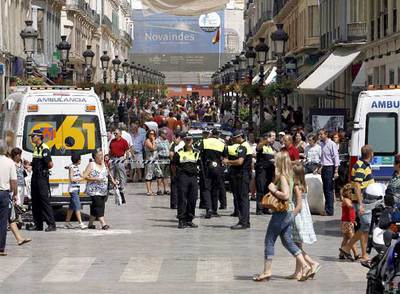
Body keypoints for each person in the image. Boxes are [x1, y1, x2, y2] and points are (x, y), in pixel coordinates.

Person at [253, 151, 312, 282]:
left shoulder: (283, 177)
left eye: (275, 160)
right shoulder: (289, 176)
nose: (273, 162)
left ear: (280, 162)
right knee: (287, 241)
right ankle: (306, 266)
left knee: (269, 240)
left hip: (282, 213)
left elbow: (285, 195)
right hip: (288, 213)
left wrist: (272, 189)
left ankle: (267, 271)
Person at [340, 145, 375, 262]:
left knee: (365, 228)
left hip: (365, 200)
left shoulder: (363, 165)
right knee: (365, 225)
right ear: (371, 154)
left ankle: (364, 254)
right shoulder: (361, 166)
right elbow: (357, 185)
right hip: (363, 201)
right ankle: (347, 247)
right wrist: (360, 204)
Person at [288, 162, 320, 280]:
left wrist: (291, 216)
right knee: (298, 244)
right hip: (304, 217)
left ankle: (312, 263)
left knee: (295, 247)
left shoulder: (296, 186)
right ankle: (298, 272)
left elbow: (299, 205)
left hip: (298, 217)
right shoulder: (304, 185)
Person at [27, 130, 56, 232]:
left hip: (41, 178)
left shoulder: (45, 148)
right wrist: (30, 165)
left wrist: (42, 169)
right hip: (35, 176)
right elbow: (36, 161)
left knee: (44, 201)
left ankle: (51, 224)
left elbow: (50, 164)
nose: (31, 138)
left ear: (39, 137)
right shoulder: (36, 148)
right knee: (35, 201)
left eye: (33, 136)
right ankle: (38, 224)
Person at [223, 130, 252, 230]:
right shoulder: (247, 145)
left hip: (241, 175)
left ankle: (243, 222)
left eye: (235, 138)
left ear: (240, 137)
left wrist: (228, 161)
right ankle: (245, 221)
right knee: (244, 199)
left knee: (242, 199)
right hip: (244, 175)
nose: (234, 140)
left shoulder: (242, 147)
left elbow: (240, 161)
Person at [171, 134, 200, 229]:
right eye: (186, 140)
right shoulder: (179, 152)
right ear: (184, 140)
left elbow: (200, 165)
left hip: (193, 178)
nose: (188, 141)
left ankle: (189, 219)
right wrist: (177, 176)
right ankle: (181, 220)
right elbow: (173, 165)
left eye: (190, 140)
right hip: (183, 177)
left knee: (193, 199)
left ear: (192, 141)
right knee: (182, 199)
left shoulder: (197, 152)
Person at [83, 148, 116, 230]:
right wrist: (95, 178)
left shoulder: (104, 164)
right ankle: (103, 223)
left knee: (95, 207)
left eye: (102, 155)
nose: (102, 157)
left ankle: (90, 224)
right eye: (100, 155)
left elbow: (108, 174)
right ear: (95, 157)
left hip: (103, 190)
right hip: (94, 190)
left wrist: (113, 182)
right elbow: (85, 176)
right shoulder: (91, 164)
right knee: (99, 206)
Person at [200, 128, 227, 219]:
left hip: (206, 168)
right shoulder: (222, 144)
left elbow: (199, 153)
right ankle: (214, 210)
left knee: (206, 189)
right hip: (217, 169)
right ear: (218, 135)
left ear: (211, 134)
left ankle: (209, 209)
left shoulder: (205, 141)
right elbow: (225, 157)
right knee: (215, 189)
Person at [0, 140, 18, 255]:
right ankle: (1, 248)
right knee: (2, 221)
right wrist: (14, 193)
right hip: (4, 194)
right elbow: (14, 181)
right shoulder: (9, 162)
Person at [319, 128, 340, 216]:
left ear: (326, 134)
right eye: (319, 134)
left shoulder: (332, 144)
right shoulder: (321, 144)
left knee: (329, 190)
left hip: (330, 168)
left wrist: (336, 170)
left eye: (321, 134)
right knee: (325, 189)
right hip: (324, 167)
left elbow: (336, 157)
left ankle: (329, 210)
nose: (320, 136)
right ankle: (326, 208)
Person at [65, 153, 87, 230]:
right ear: (78, 160)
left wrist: (87, 175)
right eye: (80, 159)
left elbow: (83, 175)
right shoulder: (72, 167)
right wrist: (80, 179)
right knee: (77, 206)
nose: (81, 160)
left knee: (71, 207)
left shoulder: (76, 167)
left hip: (76, 189)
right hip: (73, 190)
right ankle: (81, 223)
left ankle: (67, 222)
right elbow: (71, 179)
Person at [255, 132, 275, 215]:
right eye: (269, 137)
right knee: (261, 189)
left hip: (269, 171)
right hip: (262, 170)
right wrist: (265, 141)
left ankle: (266, 208)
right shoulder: (262, 145)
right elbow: (257, 148)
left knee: (267, 189)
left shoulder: (271, 147)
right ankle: (259, 209)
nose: (271, 139)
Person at [109, 128, 129, 204]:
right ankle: (112, 188)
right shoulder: (112, 141)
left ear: (120, 134)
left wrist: (126, 160)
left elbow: (127, 151)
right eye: (114, 133)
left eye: (116, 133)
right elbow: (110, 150)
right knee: (111, 173)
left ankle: (122, 187)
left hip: (120, 158)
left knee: (122, 174)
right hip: (113, 158)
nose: (115, 135)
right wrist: (108, 158)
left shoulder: (124, 141)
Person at [339, 184, 359, 260]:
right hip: (347, 222)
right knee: (352, 239)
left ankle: (341, 254)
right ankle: (356, 254)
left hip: (347, 222)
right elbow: (350, 207)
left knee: (346, 239)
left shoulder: (348, 200)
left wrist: (354, 220)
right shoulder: (346, 200)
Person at [144, 130, 162, 196]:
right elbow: (152, 148)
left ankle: (159, 189)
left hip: (156, 160)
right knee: (149, 174)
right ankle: (149, 190)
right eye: (151, 134)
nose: (152, 135)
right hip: (150, 160)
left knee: (159, 173)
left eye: (153, 134)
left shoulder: (155, 141)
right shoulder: (147, 141)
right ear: (148, 134)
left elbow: (159, 148)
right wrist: (154, 141)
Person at [169, 132, 185, 209]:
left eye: (175, 138)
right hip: (179, 166)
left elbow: (171, 155)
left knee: (176, 185)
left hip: (177, 166)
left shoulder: (178, 145)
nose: (174, 140)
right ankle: (177, 203)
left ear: (179, 138)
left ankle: (175, 203)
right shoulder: (175, 145)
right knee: (177, 185)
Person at [156, 129, 171, 195]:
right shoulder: (157, 141)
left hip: (167, 158)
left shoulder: (167, 141)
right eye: (165, 133)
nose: (166, 135)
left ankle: (166, 189)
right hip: (160, 158)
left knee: (166, 175)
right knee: (160, 175)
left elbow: (169, 148)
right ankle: (159, 189)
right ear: (161, 134)